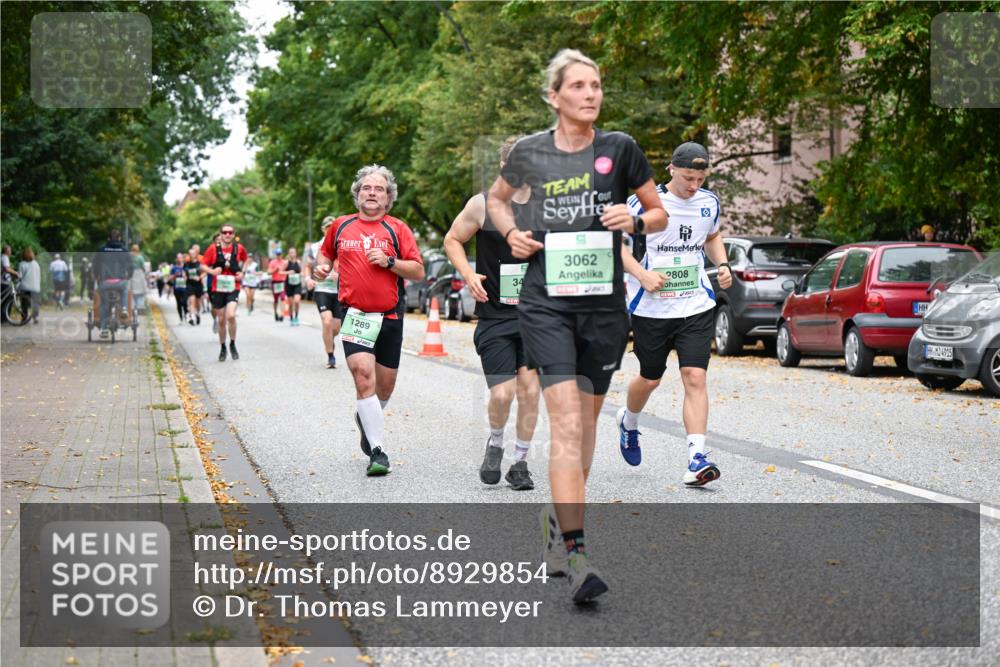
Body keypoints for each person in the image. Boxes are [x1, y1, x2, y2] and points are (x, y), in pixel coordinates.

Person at [486, 49, 667, 603]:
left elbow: (659, 213)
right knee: (565, 422)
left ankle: (554, 519)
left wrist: (635, 219)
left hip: (605, 308)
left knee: (585, 429)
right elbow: (496, 202)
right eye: (579, 86)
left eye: (596, 85)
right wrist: (513, 232)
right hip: (546, 303)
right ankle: (578, 553)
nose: (591, 94)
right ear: (555, 95)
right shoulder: (529, 152)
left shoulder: (621, 149)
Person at [618, 141, 732, 488]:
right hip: (651, 308)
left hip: (695, 303)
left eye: (699, 178)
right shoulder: (642, 203)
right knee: (650, 378)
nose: (693, 186)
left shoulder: (708, 202)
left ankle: (697, 458)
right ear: (670, 170)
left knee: (695, 377)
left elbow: (711, 237)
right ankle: (629, 421)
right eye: (687, 178)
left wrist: (723, 263)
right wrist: (643, 275)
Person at [314, 165, 424, 476]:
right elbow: (324, 256)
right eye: (366, 188)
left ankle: (367, 418)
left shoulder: (398, 229)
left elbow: (417, 271)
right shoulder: (340, 226)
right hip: (356, 315)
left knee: (384, 388)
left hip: (390, 315)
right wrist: (321, 268)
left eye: (378, 189)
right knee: (363, 375)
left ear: (388, 198)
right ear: (357, 194)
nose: (371, 193)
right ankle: (377, 451)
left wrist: (390, 262)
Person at [444, 136, 541, 491]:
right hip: (496, 316)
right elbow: (452, 239)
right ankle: (496, 442)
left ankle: (521, 462)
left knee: (530, 391)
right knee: (503, 394)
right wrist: (468, 274)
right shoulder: (482, 205)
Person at [201, 225, 248, 361]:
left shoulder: (239, 248)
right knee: (221, 320)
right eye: (225, 232)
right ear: (221, 234)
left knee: (231, 315)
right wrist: (212, 271)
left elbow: (245, 260)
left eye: (230, 232)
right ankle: (223, 347)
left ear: (233, 234)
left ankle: (232, 343)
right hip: (218, 287)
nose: (227, 234)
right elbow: (203, 264)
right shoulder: (213, 249)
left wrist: (242, 272)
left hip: (233, 285)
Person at [305, 217, 343, 368]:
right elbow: (307, 266)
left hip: (339, 291)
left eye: (333, 227)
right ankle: (331, 357)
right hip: (322, 289)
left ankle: (329, 338)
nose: (330, 230)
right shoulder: (315, 247)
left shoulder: (344, 245)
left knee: (336, 328)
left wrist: (341, 276)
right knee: (326, 321)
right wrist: (308, 278)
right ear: (323, 229)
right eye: (328, 227)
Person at [92, 229, 133, 337]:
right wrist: (129, 275)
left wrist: (97, 276)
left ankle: (104, 329)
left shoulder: (101, 249)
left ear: (108, 238)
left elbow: (95, 264)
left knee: (104, 304)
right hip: (120, 281)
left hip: (105, 282)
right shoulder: (124, 250)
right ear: (119, 238)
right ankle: (124, 308)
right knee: (124, 290)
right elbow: (131, 265)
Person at [17, 247, 41, 324]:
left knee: (24, 304)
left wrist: (17, 284)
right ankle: (35, 317)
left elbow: (19, 276)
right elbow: (38, 275)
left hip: (25, 287)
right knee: (35, 303)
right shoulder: (36, 264)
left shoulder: (21, 264)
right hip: (35, 287)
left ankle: (24, 318)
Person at [183, 245, 203, 325]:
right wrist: (184, 276)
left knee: (197, 303)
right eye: (190, 254)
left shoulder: (199, 264)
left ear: (196, 254)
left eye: (193, 254)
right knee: (192, 301)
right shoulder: (186, 264)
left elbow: (204, 272)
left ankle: (197, 314)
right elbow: (184, 272)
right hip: (190, 284)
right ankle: (192, 317)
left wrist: (199, 277)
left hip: (198, 285)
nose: (191, 255)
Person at [284, 247, 304, 326]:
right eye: (291, 252)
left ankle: (296, 317)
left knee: (297, 301)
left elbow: (303, 271)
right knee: (291, 303)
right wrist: (288, 272)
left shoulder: (298, 262)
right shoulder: (286, 263)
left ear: (296, 254)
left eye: (294, 252)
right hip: (289, 285)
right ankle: (291, 318)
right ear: (289, 254)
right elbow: (280, 272)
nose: (292, 254)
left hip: (297, 284)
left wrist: (302, 274)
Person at [268, 251, 287, 322]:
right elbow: (268, 272)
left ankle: (282, 314)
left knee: (282, 298)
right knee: (276, 300)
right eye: (277, 254)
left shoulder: (285, 262)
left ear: (282, 255)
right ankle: (275, 312)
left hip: (282, 282)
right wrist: (275, 270)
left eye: (280, 254)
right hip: (275, 282)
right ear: (276, 255)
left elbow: (288, 269)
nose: (279, 256)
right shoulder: (272, 262)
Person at [1, 244, 19, 322]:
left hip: (2, 281)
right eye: (10, 250)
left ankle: (3, 318)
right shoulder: (5, 257)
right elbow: (6, 268)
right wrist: (15, 273)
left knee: (3, 299)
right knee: (8, 299)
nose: (11, 252)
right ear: (7, 251)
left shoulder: (1, 256)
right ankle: (5, 318)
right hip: (5, 282)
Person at [169, 254, 188, 323]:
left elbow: (188, 277)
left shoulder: (185, 267)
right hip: (176, 288)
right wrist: (175, 275)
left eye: (181, 258)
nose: (179, 259)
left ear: (182, 259)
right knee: (179, 303)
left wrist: (185, 276)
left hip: (184, 287)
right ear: (176, 259)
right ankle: (181, 318)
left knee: (185, 302)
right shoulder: (173, 268)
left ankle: (186, 316)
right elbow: (170, 278)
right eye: (178, 258)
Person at [130, 244, 148, 313]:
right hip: (139, 275)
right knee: (140, 292)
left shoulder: (130, 257)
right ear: (138, 249)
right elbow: (143, 267)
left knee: (132, 291)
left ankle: (132, 307)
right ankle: (138, 308)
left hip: (131, 274)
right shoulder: (140, 257)